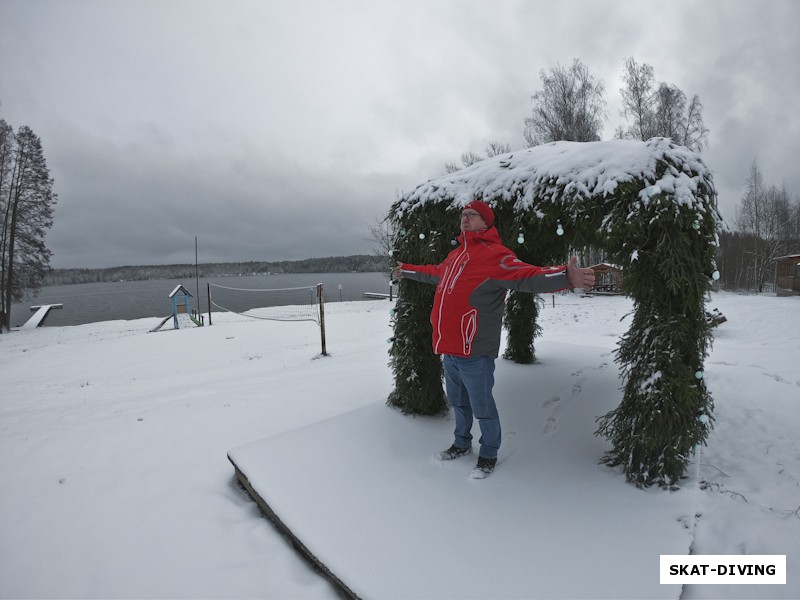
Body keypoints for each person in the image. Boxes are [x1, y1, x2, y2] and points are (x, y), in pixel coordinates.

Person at [393, 200, 595, 479]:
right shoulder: (455, 256)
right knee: (458, 403)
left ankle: (488, 452)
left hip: (474, 350)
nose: (465, 219)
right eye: (463, 215)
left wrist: (565, 276)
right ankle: (461, 443)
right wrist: (407, 270)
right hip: (449, 349)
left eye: (472, 216)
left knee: (482, 406)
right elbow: (434, 273)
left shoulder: (496, 256)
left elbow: (529, 275)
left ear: (486, 222)